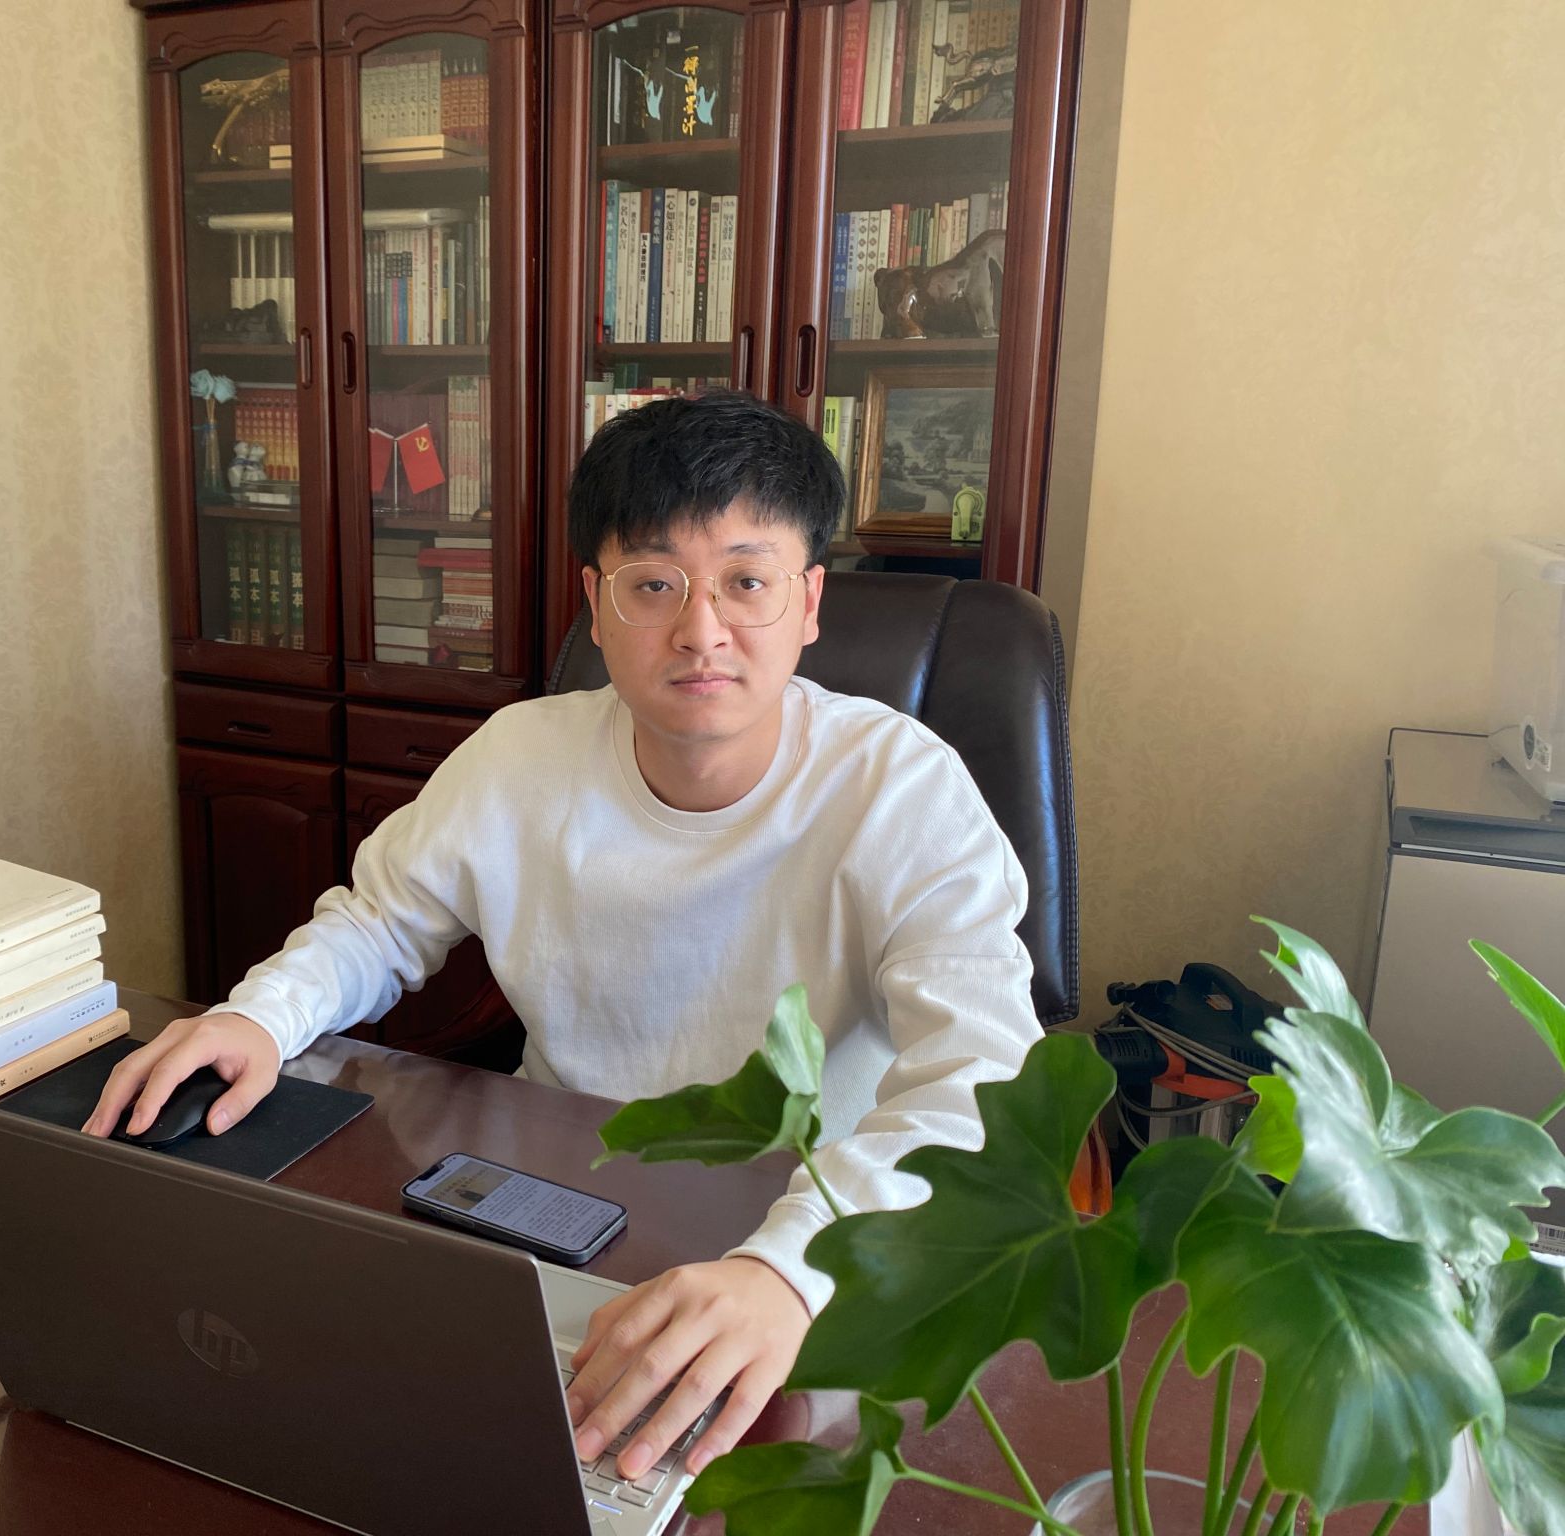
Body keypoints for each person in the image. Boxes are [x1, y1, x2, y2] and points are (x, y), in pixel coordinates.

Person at [84, 390, 1040, 1488]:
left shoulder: (899, 787)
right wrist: (260, 1016)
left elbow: (985, 1076)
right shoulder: (518, 757)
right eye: (654, 584)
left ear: (809, 601)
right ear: (595, 603)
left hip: (813, 1232)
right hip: (554, 1199)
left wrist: (787, 1271)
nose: (701, 631)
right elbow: (378, 921)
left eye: (747, 581)